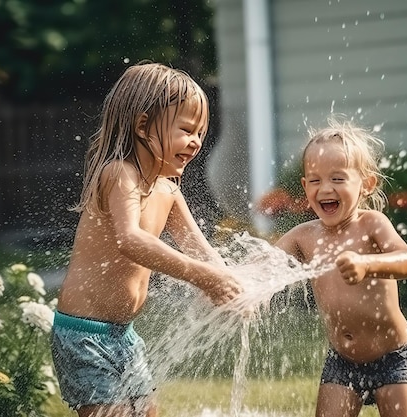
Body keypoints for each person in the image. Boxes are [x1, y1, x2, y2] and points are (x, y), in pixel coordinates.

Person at [51, 61, 243, 417]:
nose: (196, 142)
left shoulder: (168, 191)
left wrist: (233, 286)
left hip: (124, 335)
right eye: (186, 130)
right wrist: (201, 276)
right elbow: (130, 239)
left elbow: (201, 251)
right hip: (84, 336)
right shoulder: (118, 173)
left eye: (201, 133)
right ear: (143, 126)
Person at [274, 117, 407, 417]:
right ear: (305, 186)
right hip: (342, 360)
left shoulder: (372, 224)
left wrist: (367, 264)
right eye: (315, 180)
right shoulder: (304, 236)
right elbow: (265, 262)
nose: (325, 188)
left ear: (366, 184)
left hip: (392, 356)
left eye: (338, 179)